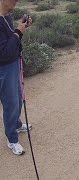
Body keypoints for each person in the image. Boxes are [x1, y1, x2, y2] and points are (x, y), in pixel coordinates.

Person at [0, 0, 32, 155]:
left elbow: (10, 41)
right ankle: (12, 139)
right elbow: (3, 53)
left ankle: (17, 125)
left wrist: (21, 29)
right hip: (4, 69)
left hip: (13, 64)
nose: (16, 1)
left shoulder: (6, 17)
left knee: (18, 97)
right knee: (10, 102)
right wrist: (18, 32)